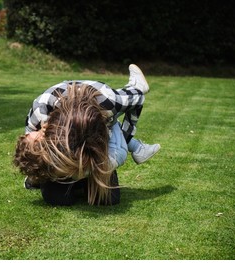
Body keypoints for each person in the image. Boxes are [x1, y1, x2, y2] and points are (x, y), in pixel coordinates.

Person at [13, 64, 160, 206]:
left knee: (107, 200)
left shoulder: (108, 102)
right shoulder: (41, 112)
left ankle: (133, 88)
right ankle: (61, 179)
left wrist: (126, 138)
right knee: (57, 198)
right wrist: (39, 171)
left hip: (96, 136)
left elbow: (138, 99)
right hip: (66, 146)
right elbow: (30, 151)